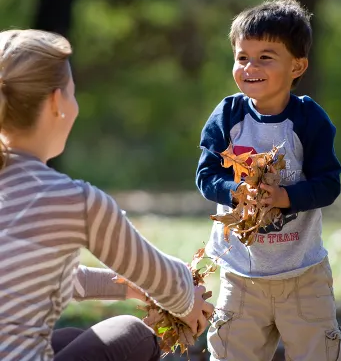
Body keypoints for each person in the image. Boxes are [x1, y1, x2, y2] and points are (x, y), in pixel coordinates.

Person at [0, 29, 214, 361]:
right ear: (57, 102)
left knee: (70, 337)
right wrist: (187, 301)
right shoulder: (74, 202)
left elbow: (29, 280)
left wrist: (125, 286)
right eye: (72, 93)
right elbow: (162, 276)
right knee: (134, 334)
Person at [196, 0, 341, 361]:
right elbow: (206, 175)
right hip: (240, 275)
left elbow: (329, 183)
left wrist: (284, 197)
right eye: (242, 56)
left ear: (297, 65)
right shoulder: (228, 114)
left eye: (265, 57)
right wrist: (236, 191)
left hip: (302, 274)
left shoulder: (309, 118)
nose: (250, 66)